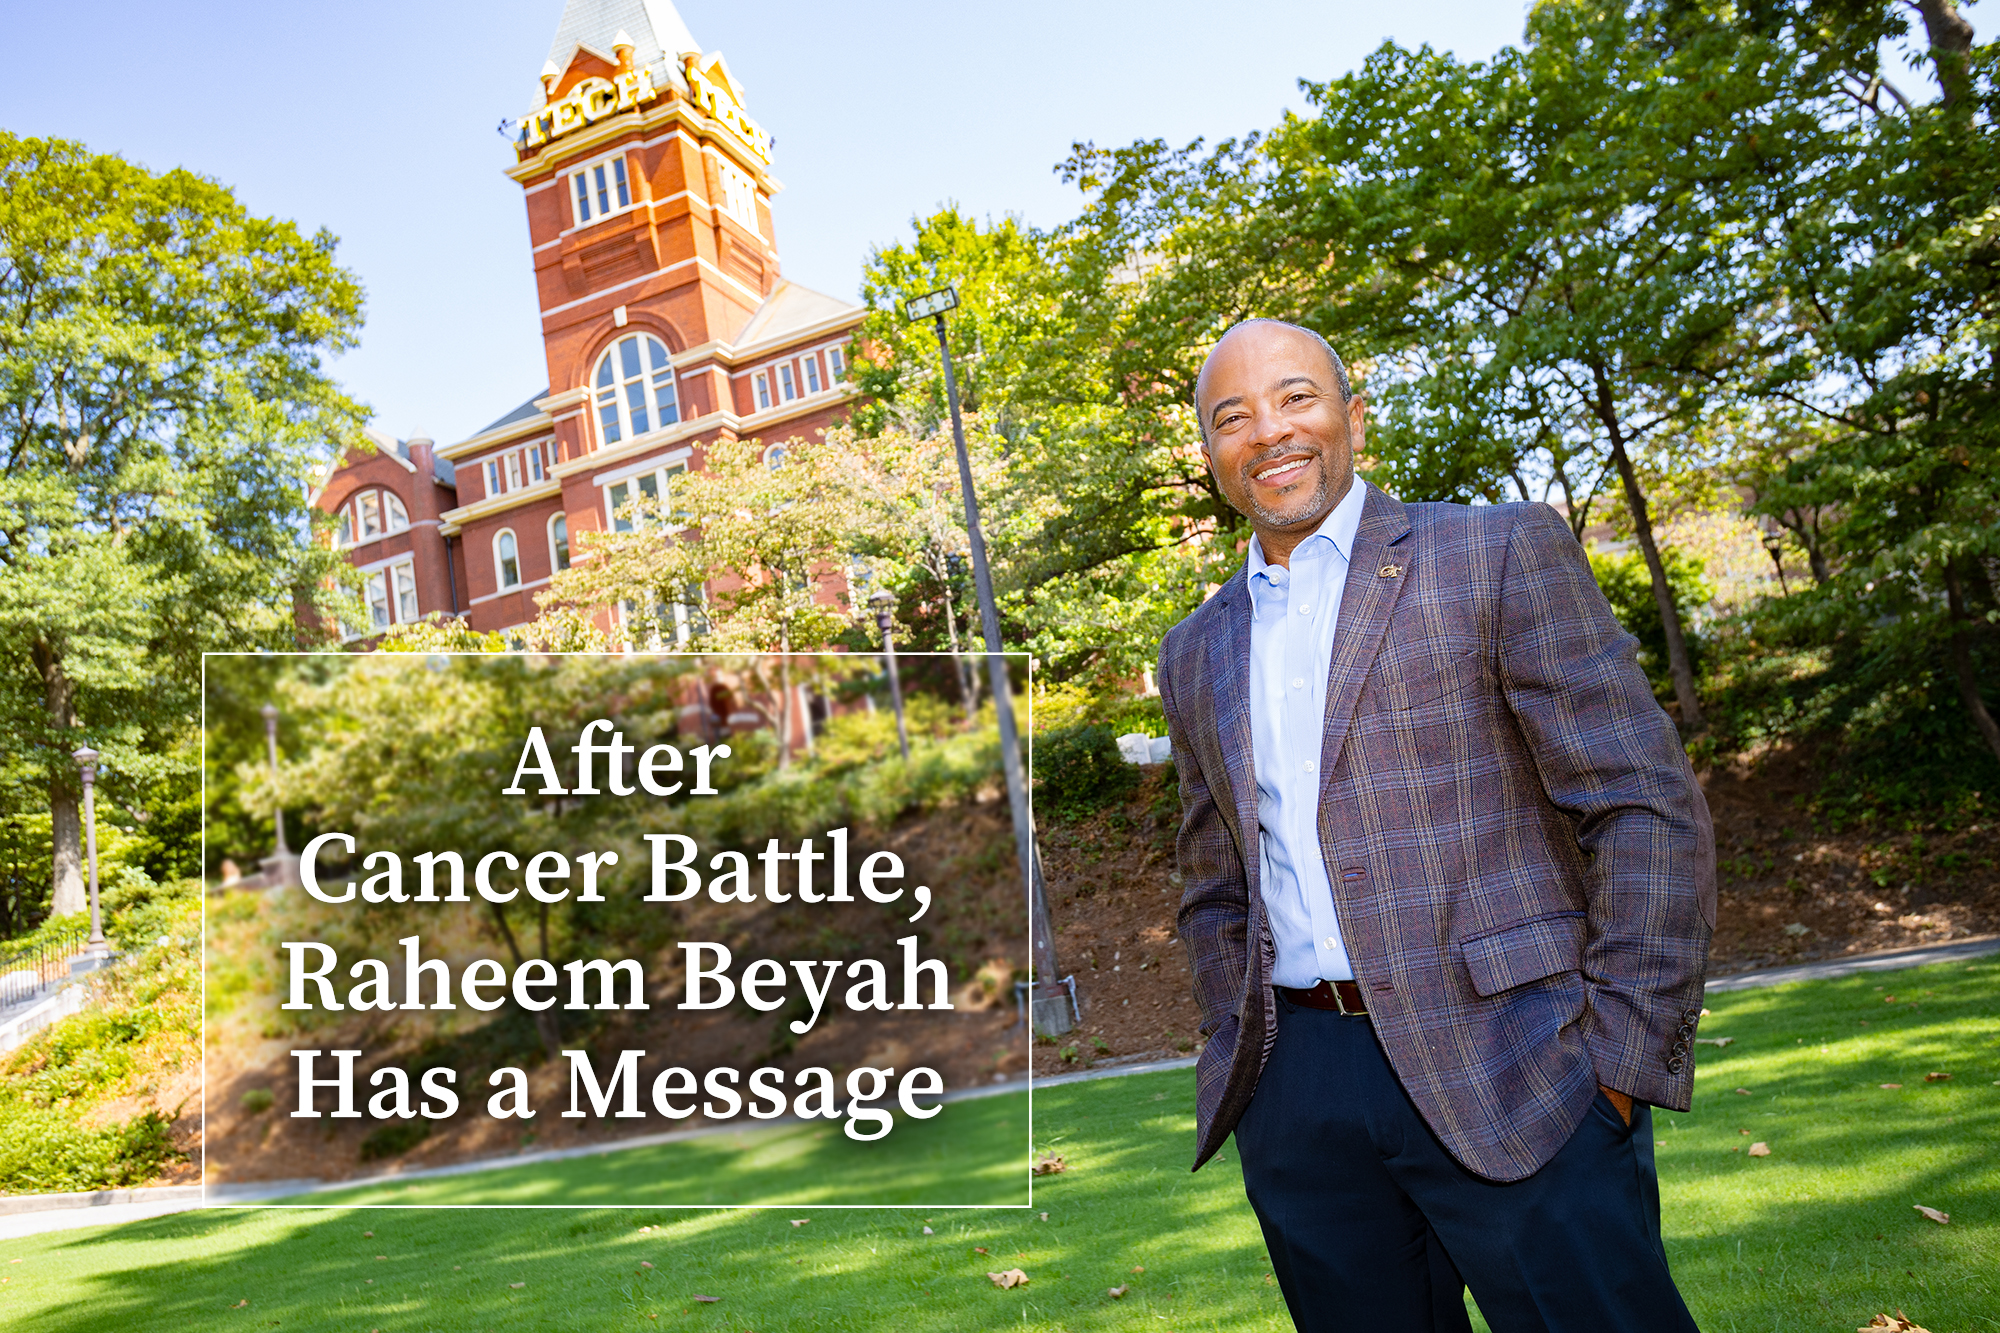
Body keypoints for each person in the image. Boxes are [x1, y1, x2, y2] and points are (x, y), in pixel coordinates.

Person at [1158, 319, 1716, 1332]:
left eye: (1295, 398)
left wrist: (1620, 1060)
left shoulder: (1493, 552)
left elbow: (1641, 803)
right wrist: (1246, 1063)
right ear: (1208, 454)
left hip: (1519, 1063)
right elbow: (1213, 882)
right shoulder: (1194, 648)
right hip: (1303, 1091)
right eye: (1230, 416)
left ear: (1350, 417)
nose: (1268, 432)